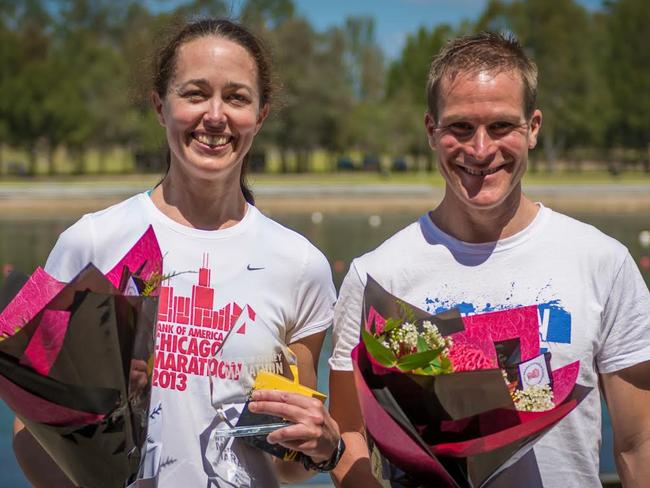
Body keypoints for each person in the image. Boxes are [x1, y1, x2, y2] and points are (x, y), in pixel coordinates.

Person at [13, 18, 342, 487]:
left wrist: (322, 446)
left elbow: (288, 465)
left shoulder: (302, 264)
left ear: (261, 115)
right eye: (194, 93)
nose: (215, 115)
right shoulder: (88, 241)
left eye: (236, 97)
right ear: (159, 106)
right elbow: (29, 426)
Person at [329, 32, 650, 487]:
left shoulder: (603, 263)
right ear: (430, 131)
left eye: (501, 127)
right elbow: (348, 437)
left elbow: (638, 444)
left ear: (533, 128)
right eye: (460, 127)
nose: (481, 150)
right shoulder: (375, 275)